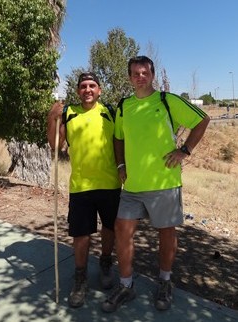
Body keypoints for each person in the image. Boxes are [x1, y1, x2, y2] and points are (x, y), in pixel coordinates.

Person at [101, 56, 210, 312]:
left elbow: (202, 120)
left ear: (152, 75)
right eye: (135, 73)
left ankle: (164, 282)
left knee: (166, 234)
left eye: (145, 72)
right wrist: (120, 166)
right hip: (133, 187)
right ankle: (126, 286)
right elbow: (118, 138)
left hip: (164, 183)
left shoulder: (166, 100)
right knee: (122, 231)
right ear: (129, 77)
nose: (140, 77)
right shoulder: (124, 106)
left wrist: (185, 150)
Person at [47, 72, 121, 308]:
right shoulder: (68, 113)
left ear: (99, 90)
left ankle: (106, 263)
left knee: (110, 229)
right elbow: (56, 145)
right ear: (77, 90)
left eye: (92, 85)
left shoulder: (110, 111)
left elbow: (122, 141)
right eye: (83, 86)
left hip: (110, 184)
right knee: (81, 234)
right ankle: (80, 279)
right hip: (81, 187)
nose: (87, 89)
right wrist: (52, 118)